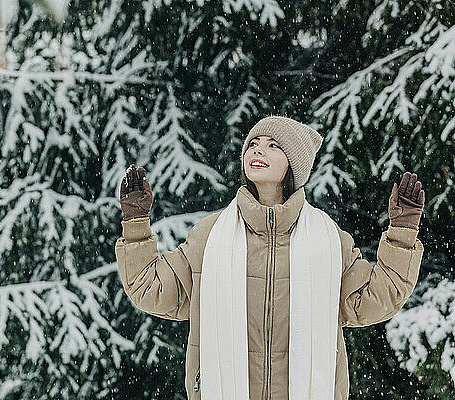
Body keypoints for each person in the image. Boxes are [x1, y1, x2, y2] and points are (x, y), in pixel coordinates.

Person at [114, 115, 425, 400]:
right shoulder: (209, 236)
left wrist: (402, 232)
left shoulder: (328, 240)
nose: (257, 150)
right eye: (253, 144)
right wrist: (136, 224)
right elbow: (151, 289)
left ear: (293, 165)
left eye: (273, 145)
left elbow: (376, 299)